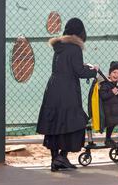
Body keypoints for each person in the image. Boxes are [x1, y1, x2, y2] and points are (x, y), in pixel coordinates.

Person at [36, 18, 98, 172]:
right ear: (80, 32)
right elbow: (78, 71)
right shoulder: (75, 48)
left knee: (56, 122)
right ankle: (62, 156)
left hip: (53, 88)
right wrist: (94, 71)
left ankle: (55, 159)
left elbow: (66, 67)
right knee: (74, 121)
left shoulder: (60, 47)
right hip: (68, 90)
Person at [99, 61, 118, 147]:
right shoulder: (105, 84)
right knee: (112, 122)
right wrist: (111, 92)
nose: (116, 75)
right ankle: (108, 139)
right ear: (109, 73)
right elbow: (103, 96)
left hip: (116, 110)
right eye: (114, 72)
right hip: (109, 111)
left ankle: (115, 138)